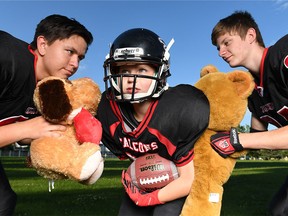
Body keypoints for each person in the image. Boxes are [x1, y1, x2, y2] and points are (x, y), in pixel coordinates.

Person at [97, 28, 210, 216]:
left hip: (179, 180)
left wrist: (150, 199)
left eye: (141, 69)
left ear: (160, 72)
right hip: (144, 180)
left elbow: (188, 179)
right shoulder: (108, 109)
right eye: (125, 70)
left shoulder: (177, 109)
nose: (132, 79)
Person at [0, 14, 93, 215]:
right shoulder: (6, 57)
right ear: (42, 45)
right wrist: (26, 128)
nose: (75, 64)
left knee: (3, 201)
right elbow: (22, 127)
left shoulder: (48, 88)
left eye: (81, 57)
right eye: (70, 51)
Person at [210, 10, 288, 215]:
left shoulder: (282, 54)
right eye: (218, 47)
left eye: (226, 43)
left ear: (251, 35)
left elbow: (243, 140)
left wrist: (235, 140)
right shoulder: (253, 89)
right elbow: (257, 139)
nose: (221, 52)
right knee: (279, 211)